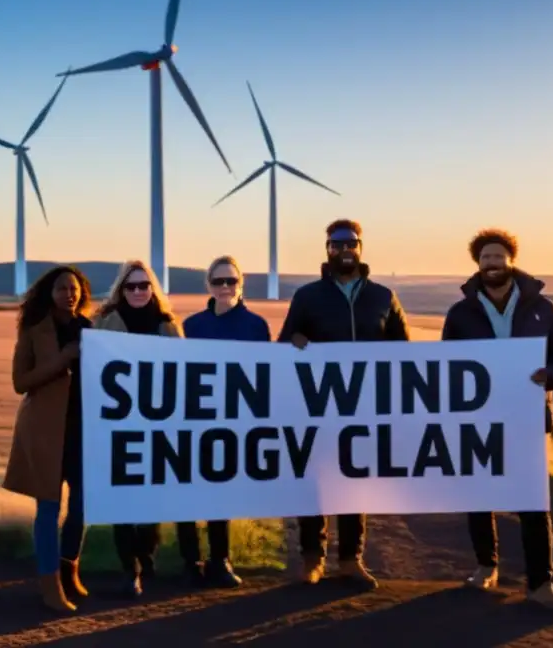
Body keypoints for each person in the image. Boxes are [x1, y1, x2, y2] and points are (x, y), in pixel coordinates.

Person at [441, 228, 553, 610]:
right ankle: (486, 567)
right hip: (477, 418)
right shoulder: (460, 313)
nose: (492, 263)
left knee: (533, 502)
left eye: (498, 257)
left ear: (511, 259)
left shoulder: (542, 308)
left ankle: (540, 584)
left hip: (527, 417)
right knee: (479, 497)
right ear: (477, 263)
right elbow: (444, 365)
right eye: (485, 258)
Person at [277, 219, 411, 590]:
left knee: (355, 483)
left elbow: (404, 351)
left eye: (351, 243)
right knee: (314, 483)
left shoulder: (384, 297)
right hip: (318, 406)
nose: (344, 249)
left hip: (366, 407)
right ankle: (312, 559)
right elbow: (285, 343)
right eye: (336, 244)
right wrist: (298, 341)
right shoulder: (308, 296)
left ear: (361, 247)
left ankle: (351, 560)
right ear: (327, 250)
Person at [176, 255, 272, 589]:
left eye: (231, 281)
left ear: (241, 283)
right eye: (218, 282)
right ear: (208, 285)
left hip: (233, 422)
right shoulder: (191, 326)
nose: (225, 287)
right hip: (193, 421)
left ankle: (220, 560)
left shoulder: (256, 326)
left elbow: (266, 375)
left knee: (220, 493)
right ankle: (191, 563)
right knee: (186, 492)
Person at [2, 265, 94, 613]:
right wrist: (62, 360)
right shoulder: (33, 330)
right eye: (62, 289)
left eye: (74, 289)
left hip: (82, 429)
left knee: (83, 503)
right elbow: (20, 382)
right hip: (45, 431)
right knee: (48, 508)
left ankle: (70, 566)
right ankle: (50, 583)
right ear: (49, 293)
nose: (69, 294)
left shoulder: (89, 328)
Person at [92, 259, 184, 597]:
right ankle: (129, 569)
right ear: (121, 289)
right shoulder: (102, 322)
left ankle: (146, 556)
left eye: (144, 286)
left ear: (153, 288)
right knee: (122, 500)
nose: (138, 292)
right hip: (116, 425)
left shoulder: (167, 325)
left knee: (151, 500)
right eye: (131, 286)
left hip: (157, 424)